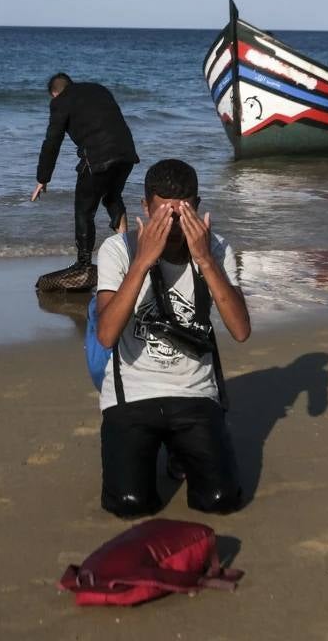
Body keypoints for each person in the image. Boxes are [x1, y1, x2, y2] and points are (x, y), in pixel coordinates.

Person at [93, 158, 251, 518]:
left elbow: (240, 330)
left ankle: (182, 451)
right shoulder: (118, 249)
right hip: (132, 394)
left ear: (197, 208)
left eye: (182, 216)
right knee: (130, 505)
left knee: (219, 500)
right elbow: (105, 335)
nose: (174, 228)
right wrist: (142, 261)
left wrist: (206, 260)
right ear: (146, 208)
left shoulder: (217, 248)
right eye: (163, 215)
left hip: (194, 392)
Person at [31, 72, 139, 267]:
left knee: (84, 209)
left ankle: (83, 264)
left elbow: (52, 141)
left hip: (98, 157)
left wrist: (43, 178)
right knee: (112, 197)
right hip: (126, 153)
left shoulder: (60, 101)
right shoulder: (98, 89)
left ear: (55, 93)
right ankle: (126, 251)